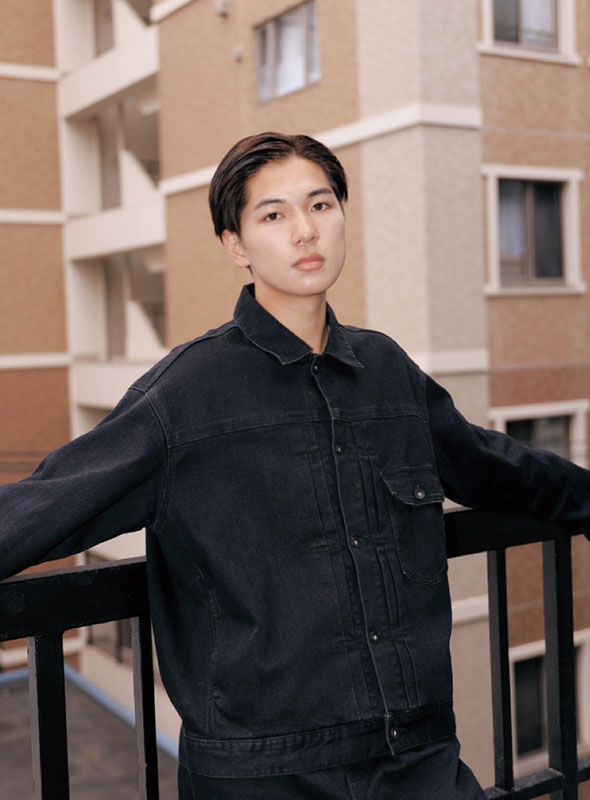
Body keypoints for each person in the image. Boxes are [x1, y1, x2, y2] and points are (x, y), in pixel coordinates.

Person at [1, 132, 589, 799]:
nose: (306, 230)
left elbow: (491, 463)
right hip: (262, 776)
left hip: (415, 756)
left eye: (321, 204)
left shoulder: (386, 371)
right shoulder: (185, 395)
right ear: (237, 245)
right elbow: (48, 502)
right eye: (274, 214)